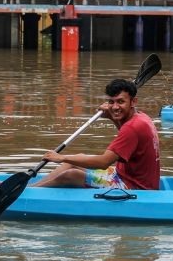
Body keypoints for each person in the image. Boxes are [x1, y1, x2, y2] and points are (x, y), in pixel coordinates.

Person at [31, 78, 160, 190]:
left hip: (134, 186)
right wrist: (111, 117)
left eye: (120, 102)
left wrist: (61, 157)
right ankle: (33, 188)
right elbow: (127, 140)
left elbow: (103, 162)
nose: (115, 107)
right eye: (111, 102)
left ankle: (27, 195)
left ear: (133, 102)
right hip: (127, 175)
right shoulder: (141, 117)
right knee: (75, 160)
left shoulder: (132, 127)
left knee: (71, 175)